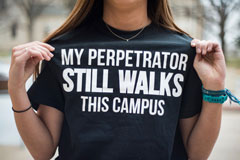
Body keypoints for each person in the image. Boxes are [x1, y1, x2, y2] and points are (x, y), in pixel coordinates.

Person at [8, 0, 227, 160]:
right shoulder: (63, 51)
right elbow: (42, 150)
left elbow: (197, 154)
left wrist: (215, 87)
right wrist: (17, 89)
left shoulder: (183, 54)